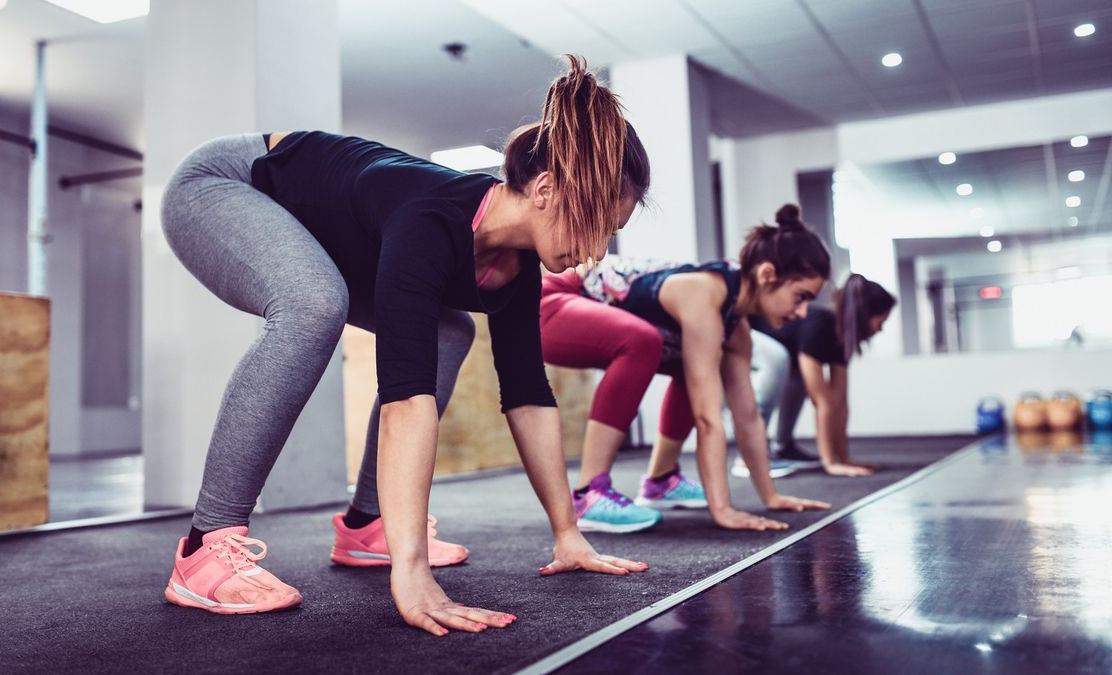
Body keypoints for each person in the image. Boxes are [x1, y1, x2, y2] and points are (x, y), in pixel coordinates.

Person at [158, 55, 652, 636]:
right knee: (316, 306)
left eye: (608, 234)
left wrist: (569, 535)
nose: (596, 251)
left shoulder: (514, 266)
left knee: (450, 331)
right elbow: (405, 398)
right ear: (545, 189)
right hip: (222, 184)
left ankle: (370, 527)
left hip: (315, 230)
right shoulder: (431, 220)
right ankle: (204, 546)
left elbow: (528, 395)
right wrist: (413, 572)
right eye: (594, 224)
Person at [535, 204, 833, 533]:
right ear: (766, 275)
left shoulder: (735, 329)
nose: (803, 312)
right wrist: (722, 510)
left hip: (584, 313)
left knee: (689, 366)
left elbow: (748, 418)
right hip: (553, 302)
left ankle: (661, 480)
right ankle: (589, 494)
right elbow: (708, 420)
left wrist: (770, 495)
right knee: (643, 342)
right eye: (800, 296)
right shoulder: (705, 293)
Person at [737, 273, 896, 477]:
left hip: (782, 352)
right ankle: (749, 455)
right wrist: (830, 464)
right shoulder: (819, 324)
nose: (880, 330)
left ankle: (783, 447)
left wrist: (844, 458)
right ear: (864, 316)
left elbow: (840, 401)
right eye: (880, 322)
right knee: (778, 360)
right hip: (745, 333)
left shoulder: (841, 340)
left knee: (798, 379)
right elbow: (821, 401)